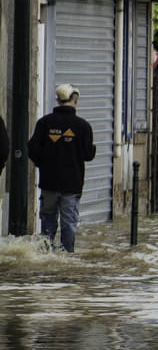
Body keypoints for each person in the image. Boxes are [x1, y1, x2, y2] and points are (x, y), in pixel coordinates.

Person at [28, 83, 95, 253]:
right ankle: (67, 255)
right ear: (75, 100)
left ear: (58, 100)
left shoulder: (44, 123)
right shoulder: (83, 126)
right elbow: (88, 155)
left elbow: (32, 149)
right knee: (69, 222)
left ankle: (46, 253)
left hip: (49, 182)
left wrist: (43, 164)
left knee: (48, 219)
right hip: (71, 185)